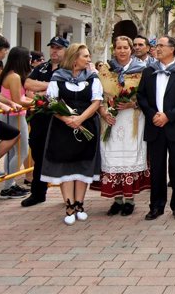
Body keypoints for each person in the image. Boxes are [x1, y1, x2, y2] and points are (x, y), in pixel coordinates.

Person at [40, 43, 102, 225]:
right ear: (75, 58)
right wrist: (67, 118)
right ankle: (69, 205)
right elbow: (52, 102)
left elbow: (96, 102)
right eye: (85, 56)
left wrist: (80, 119)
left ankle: (80, 204)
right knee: (65, 165)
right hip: (62, 128)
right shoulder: (58, 77)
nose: (89, 60)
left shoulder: (92, 78)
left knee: (83, 164)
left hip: (87, 124)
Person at [137, 36, 175, 221]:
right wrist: (153, 114)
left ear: (172, 49)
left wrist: (168, 116)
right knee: (157, 169)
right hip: (155, 126)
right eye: (156, 46)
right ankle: (156, 206)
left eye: (161, 46)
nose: (157, 48)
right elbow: (141, 96)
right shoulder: (149, 71)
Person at [97, 36, 150, 216]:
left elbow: (148, 97)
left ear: (131, 49)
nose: (122, 51)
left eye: (125, 47)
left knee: (130, 157)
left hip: (133, 119)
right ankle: (117, 199)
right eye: (118, 48)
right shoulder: (105, 70)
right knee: (112, 157)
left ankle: (129, 200)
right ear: (114, 49)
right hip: (111, 119)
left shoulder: (142, 70)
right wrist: (104, 111)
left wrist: (133, 104)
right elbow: (98, 95)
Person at [21, 36, 68, 207]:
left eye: (59, 48)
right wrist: (50, 86)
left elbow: (64, 89)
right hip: (40, 118)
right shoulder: (41, 67)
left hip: (59, 118)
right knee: (38, 155)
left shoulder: (69, 69)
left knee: (62, 156)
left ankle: (68, 195)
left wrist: (41, 88)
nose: (55, 51)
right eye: (52, 47)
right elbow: (27, 85)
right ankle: (38, 193)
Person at [0, 46, 33, 199]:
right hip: (15, 116)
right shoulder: (15, 77)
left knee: (13, 152)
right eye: (28, 58)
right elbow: (17, 100)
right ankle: (8, 186)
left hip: (9, 115)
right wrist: (37, 102)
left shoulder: (9, 74)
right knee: (22, 151)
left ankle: (9, 184)